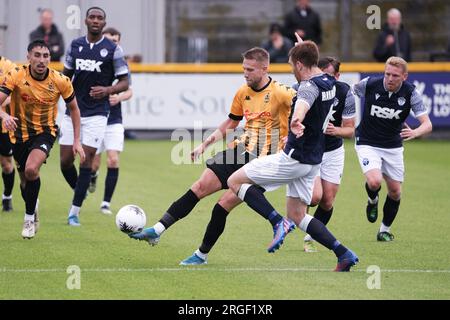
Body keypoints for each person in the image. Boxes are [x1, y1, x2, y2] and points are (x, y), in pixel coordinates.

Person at [129, 47, 296, 265]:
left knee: (222, 205)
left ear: (265, 69)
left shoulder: (282, 93)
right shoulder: (242, 92)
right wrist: (204, 145)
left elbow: (309, 107)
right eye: (243, 68)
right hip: (241, 150)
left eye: (250, 69)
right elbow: (231, 123)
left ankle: (202, 254)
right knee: (199, 187)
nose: (245, 73)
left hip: (267, 157)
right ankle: (158, 230)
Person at [227, 39, 359, 272]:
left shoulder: (308, 86)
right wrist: (305, 47)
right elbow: (311, 65)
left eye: (291, 66)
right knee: (298, 215)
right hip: (313, 161)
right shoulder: (329, 81)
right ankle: (343, 253)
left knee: (234, 181)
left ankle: (277, 222)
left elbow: (303, 103)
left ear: (300, 64)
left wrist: (296, 119)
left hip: (295, 159)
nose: (291, 71)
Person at [0, 40, 84, 238]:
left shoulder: (60, 80)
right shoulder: (16, 74)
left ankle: (28, 220)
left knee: (31, 169)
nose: (41, 60)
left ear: (50, 59)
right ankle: (33, 207)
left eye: (45, 56)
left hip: (45, 132)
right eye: (37, 55)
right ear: (28, 56)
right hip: (18, 134)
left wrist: (77, 140)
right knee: (25, 182)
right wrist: (4, 116)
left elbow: (74, 109)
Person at [60, 7, 129, 226]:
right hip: (73, 112)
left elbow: (125, 82)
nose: (96, 20)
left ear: (104, 22)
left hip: (98, 114)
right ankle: (81, 189)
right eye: (93, 17)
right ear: (86, 21)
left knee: (86, 158)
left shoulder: (112, 49)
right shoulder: (76, 45)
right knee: (64, 161)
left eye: (100, 18)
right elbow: (65, 76)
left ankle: (74, 212)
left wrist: (107, 90)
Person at [353, 56, 432, 241]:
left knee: (395, 191)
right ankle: (373, 200)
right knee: (374, 182)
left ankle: (384, 230)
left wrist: (415, 133)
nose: (389, 78)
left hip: (393, 146)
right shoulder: (370, 84)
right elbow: (349, 94)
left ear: (404, 76)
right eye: (387, 73)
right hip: (367, 141)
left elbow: (427, 124)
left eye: (395, 75)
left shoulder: (411, 93)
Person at [301, 56, 356, 253]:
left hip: (333, 151)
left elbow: (350, 130)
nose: (326, 80)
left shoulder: (344, 92)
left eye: (330, 76)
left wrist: (336, 130)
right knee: (315, 197)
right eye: (322, 75)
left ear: (338, 76)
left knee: (327, 201)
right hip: (311, 148)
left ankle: (310, 237)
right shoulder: (309, 87)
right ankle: (298, 217)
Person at [88, 27, 133, 215]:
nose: (113, 43)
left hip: (114, 120)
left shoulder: (121, 66)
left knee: (113, 160)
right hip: (95, 119)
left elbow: (129, 90)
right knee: (93, 163)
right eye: (109, 40)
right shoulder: (94, 63)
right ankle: (93, 175)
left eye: (116, 40)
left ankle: (106, 203)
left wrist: (118, 98)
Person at [0, 55, 16, 212]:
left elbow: (13, 93)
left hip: (3, 125)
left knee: (6, 164)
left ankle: (7, 196)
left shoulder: (9, 66)